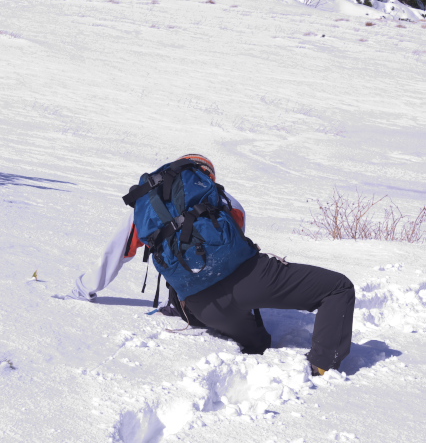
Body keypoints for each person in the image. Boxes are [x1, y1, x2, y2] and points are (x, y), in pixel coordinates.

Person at [69, 154, 355, 376]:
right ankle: (322, 365)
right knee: (338, 288)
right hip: (249, 279)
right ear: (204, 175)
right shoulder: (221, 198)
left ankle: (251, 339)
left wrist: (85, 288)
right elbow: (234, 246)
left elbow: (118, 252)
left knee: (257, 343)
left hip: (199, 306)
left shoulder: (146, 210)